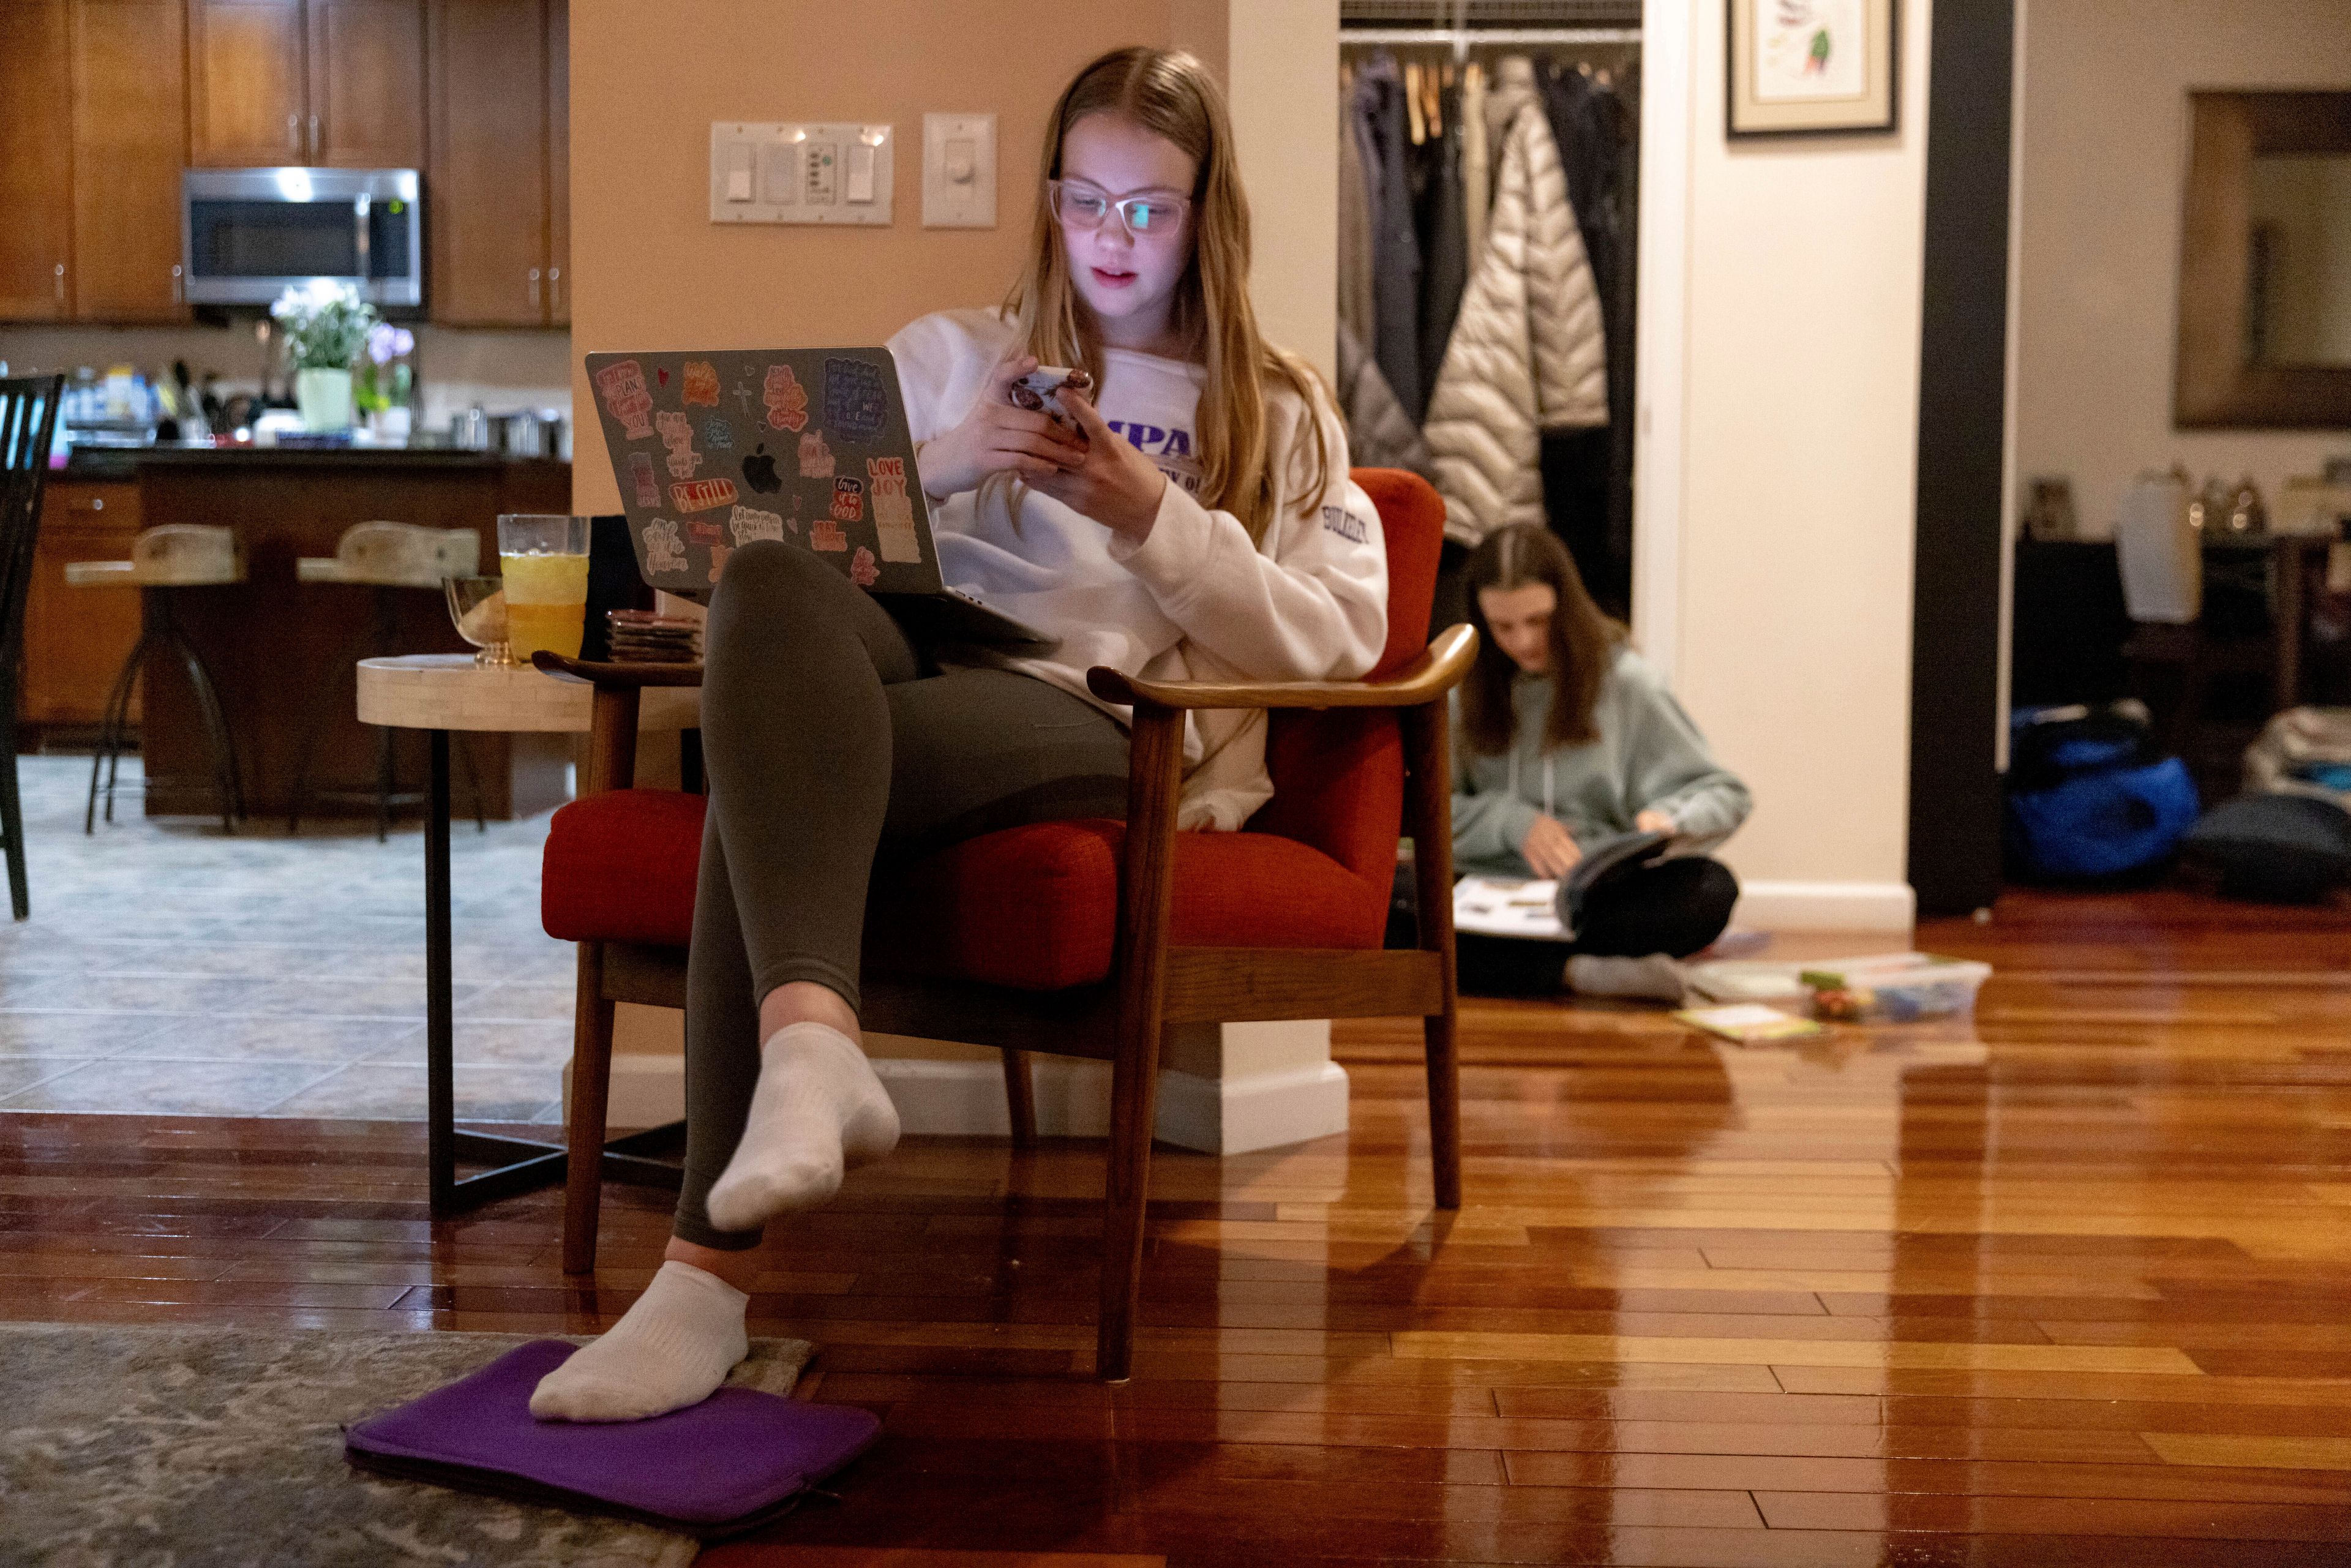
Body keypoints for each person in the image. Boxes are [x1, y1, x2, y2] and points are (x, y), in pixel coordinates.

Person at [529, 47, 1388, 1423]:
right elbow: (754, 554)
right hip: (908, 650)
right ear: (1050, 199)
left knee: (771, 787)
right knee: (763, 579)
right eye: (1087, 199)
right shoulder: (951, 356)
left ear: (1206, 213)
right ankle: (816, 1050)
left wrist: (1145, 512)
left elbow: (1340, 641)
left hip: (1089, 710)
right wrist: (951, 459)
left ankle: (698, 1282)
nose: (1113, 238)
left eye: (1149, 208)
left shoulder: (1275, 405)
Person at [1450, 523, 1749, 998]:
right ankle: (1581, 974)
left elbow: (1725, 792)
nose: (1524, 641)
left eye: (1539, 620)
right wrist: (1512, 824)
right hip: (1488, 891)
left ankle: (1526, 971)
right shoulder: (1462, 690)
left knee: (1710, 890)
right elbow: (1428, 810)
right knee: (1386, 917)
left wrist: (1669, 819)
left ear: (1566, 608)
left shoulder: (1628, 683)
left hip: (1590, 897)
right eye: (1503, 627)